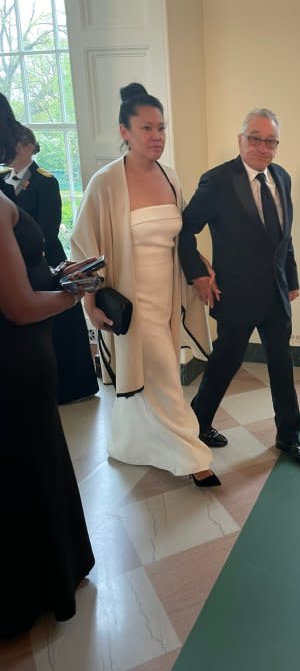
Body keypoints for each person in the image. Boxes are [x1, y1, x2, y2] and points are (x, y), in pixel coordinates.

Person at [71, 82, 220, 486]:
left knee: (155, 371)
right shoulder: (106, 182)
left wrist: (201, 271)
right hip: (132, 302)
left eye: (161, 128)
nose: (157, 137)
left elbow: (182, 235)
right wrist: (90, 302)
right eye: (146, 128)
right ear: (125, 132)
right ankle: (192, 456)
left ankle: (131, 443)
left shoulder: (170, 177)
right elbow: (83, 243)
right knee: (165, 377)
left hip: (168, 296)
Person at [0, 92, 95, 637]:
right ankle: (42, 587)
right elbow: (16, 305)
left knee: (36, 463)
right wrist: (76, 291)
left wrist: (57, 277)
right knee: (31, 468)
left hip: (21, 359)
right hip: (15, 359)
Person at [179, 108, 300, 468]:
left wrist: (292, 277)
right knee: (226, 362)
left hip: (276, 293)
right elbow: (184, 230)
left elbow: (284, 234)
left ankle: (289, 437)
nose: (262, 146)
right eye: (254, 138)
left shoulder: (282, 178)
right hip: (236, 294)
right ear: (240, 139)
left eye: (270, 140)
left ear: (277, 145)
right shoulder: (217, 181)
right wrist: (197, 274)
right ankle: (197, 423)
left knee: (281, 364)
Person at [2, 124, 99, 404]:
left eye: (18, 144)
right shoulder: (2, 181)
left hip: (44, 257)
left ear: (30, 147)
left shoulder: (46, 181)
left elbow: (47, 226)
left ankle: (73, 385)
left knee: (62, 328)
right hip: (12, 262)